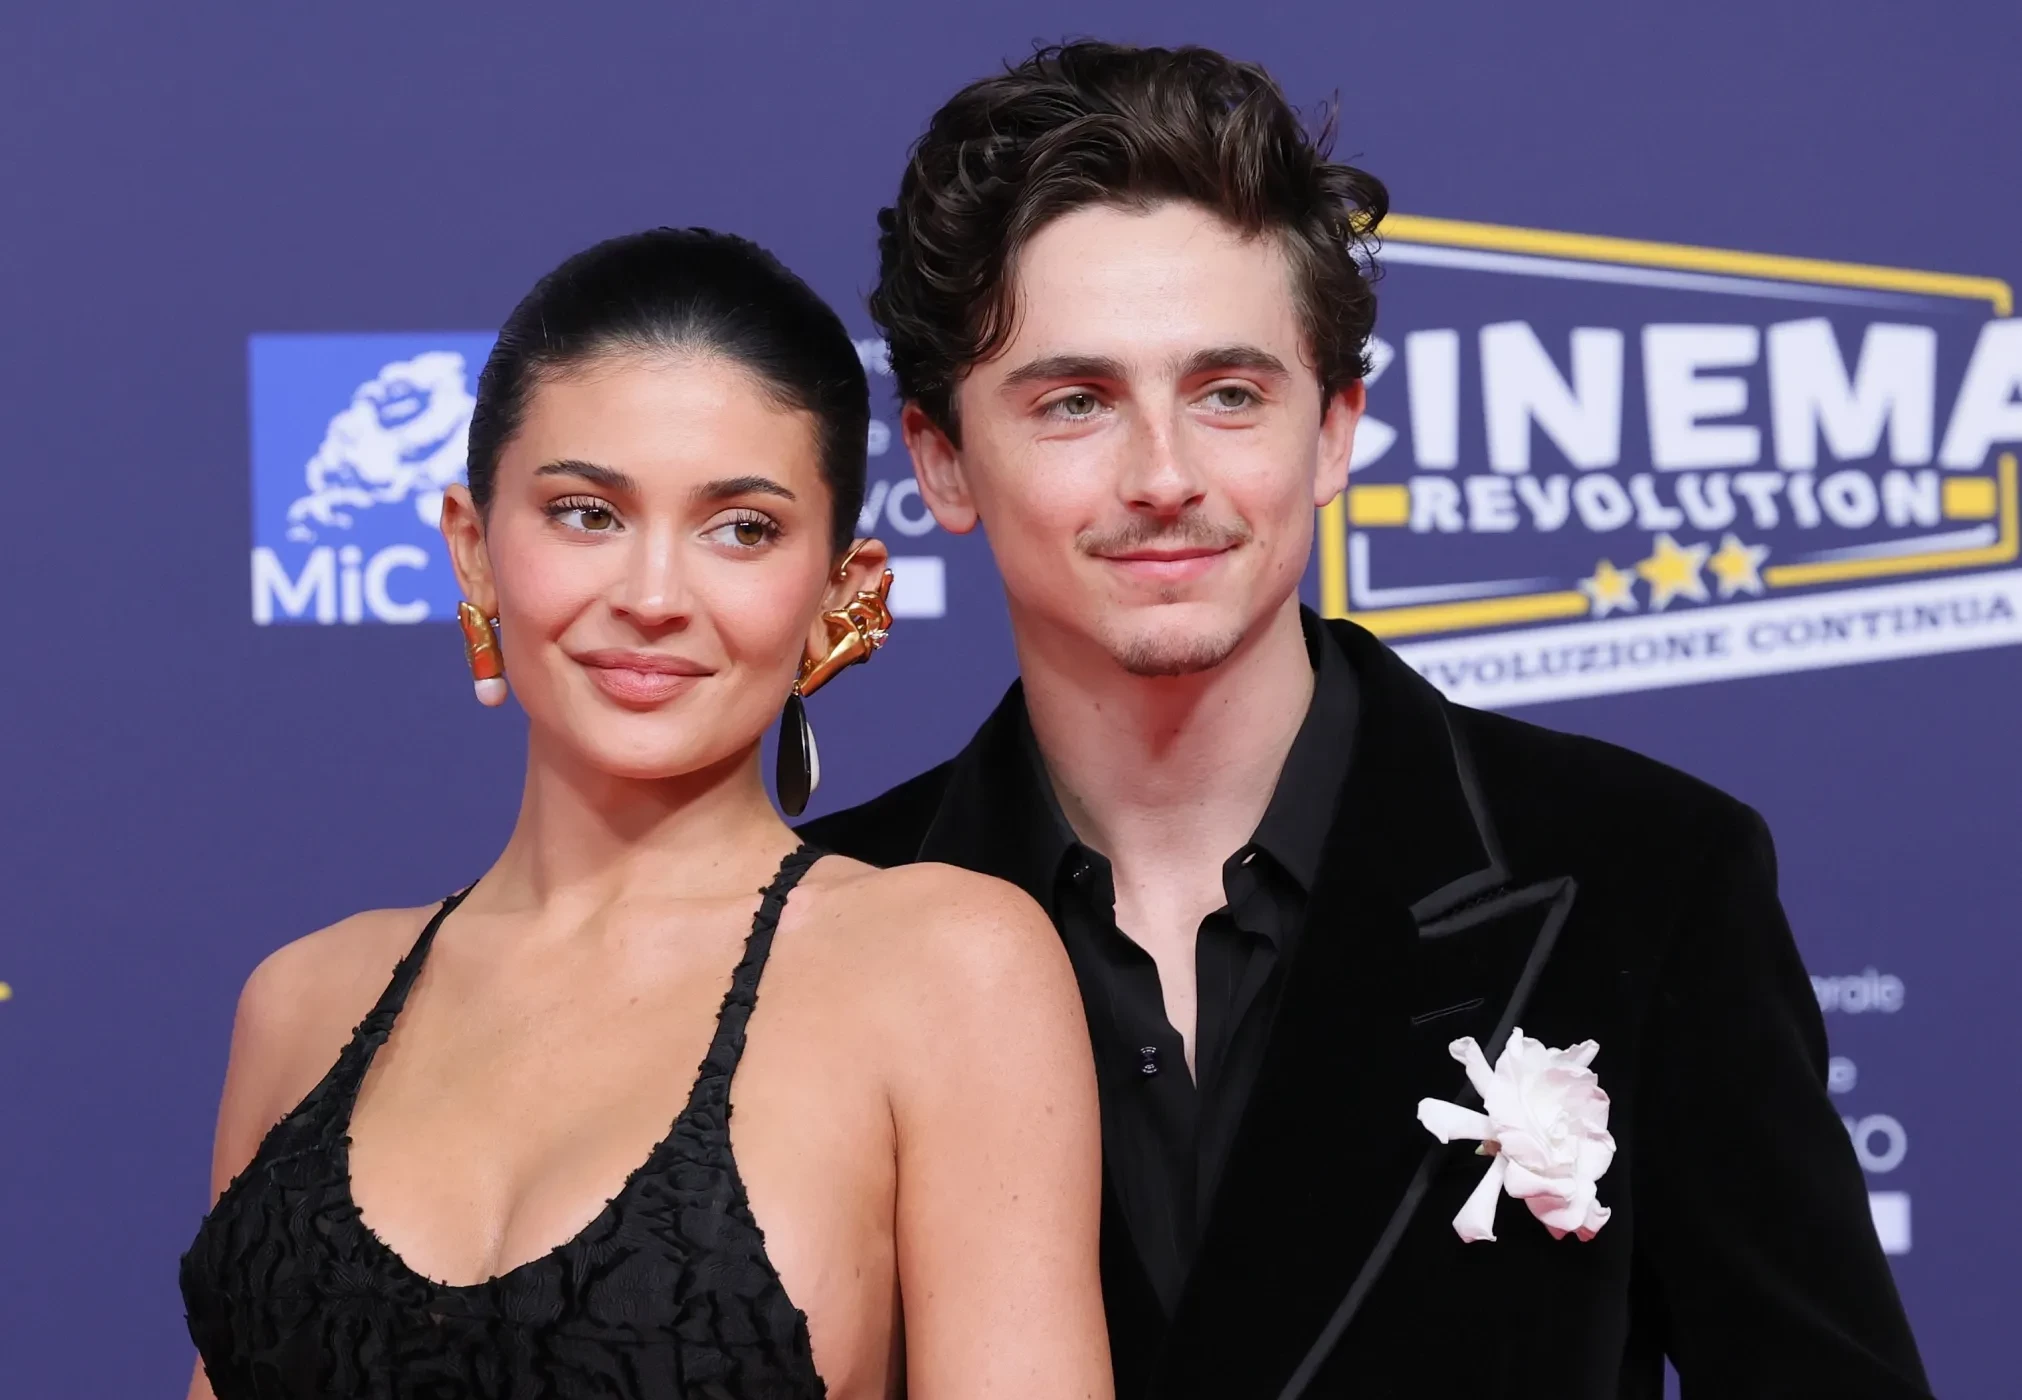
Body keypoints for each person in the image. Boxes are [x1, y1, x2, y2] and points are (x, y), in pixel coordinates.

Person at [802, 41, 1932, 1400]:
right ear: (940, 461)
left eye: (1228, 393)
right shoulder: (813, 928)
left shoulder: (1646, 878)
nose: (1163, 475)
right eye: (1076, 402)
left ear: (1334, 430)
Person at [179, 229, 1112, 1400]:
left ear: (844, 595)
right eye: (587, 513)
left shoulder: (947, 970)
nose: (654, 595)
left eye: (743, 528)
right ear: (474, 551)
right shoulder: (302, 1003)